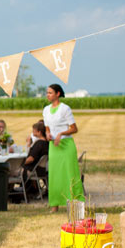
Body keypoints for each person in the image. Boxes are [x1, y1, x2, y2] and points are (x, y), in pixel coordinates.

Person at [43, 84, 84, 212]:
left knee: (70, 174)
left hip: (66, 146)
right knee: (55, 175)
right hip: (54, 147)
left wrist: (61, 134)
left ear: (58, 94)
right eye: (47, 93)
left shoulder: (65, 109)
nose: (47, 95)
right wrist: (48, 134)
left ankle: (75, 205)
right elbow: (47, 128)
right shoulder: (46, 110)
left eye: (50, 92)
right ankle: (54, 205)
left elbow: (74, 128)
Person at [22, 122, 49, 196]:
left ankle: (12, 192)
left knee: (12, 170)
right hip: (40, 169)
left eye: (33, 130)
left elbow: (31, 159)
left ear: (39, 132)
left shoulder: (39, 143)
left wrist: (20, 164)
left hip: (33, 170)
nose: (32, 132)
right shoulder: (46, 143)